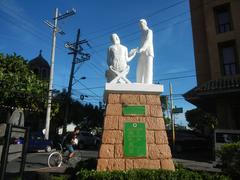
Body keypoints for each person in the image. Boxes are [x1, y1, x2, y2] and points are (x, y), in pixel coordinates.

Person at [136, 19, 154, 84]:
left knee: (148, 70)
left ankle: (148, 84)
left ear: (145, 23)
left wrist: (143, 48)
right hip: (142, 54)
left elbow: (148, 40)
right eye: (140, 25)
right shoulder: (142, 34)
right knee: (139, 69)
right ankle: (139, 83)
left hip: (148, 53)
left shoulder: (149, 31)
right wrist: (138, 49)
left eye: (141, 24)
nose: (141, 26)